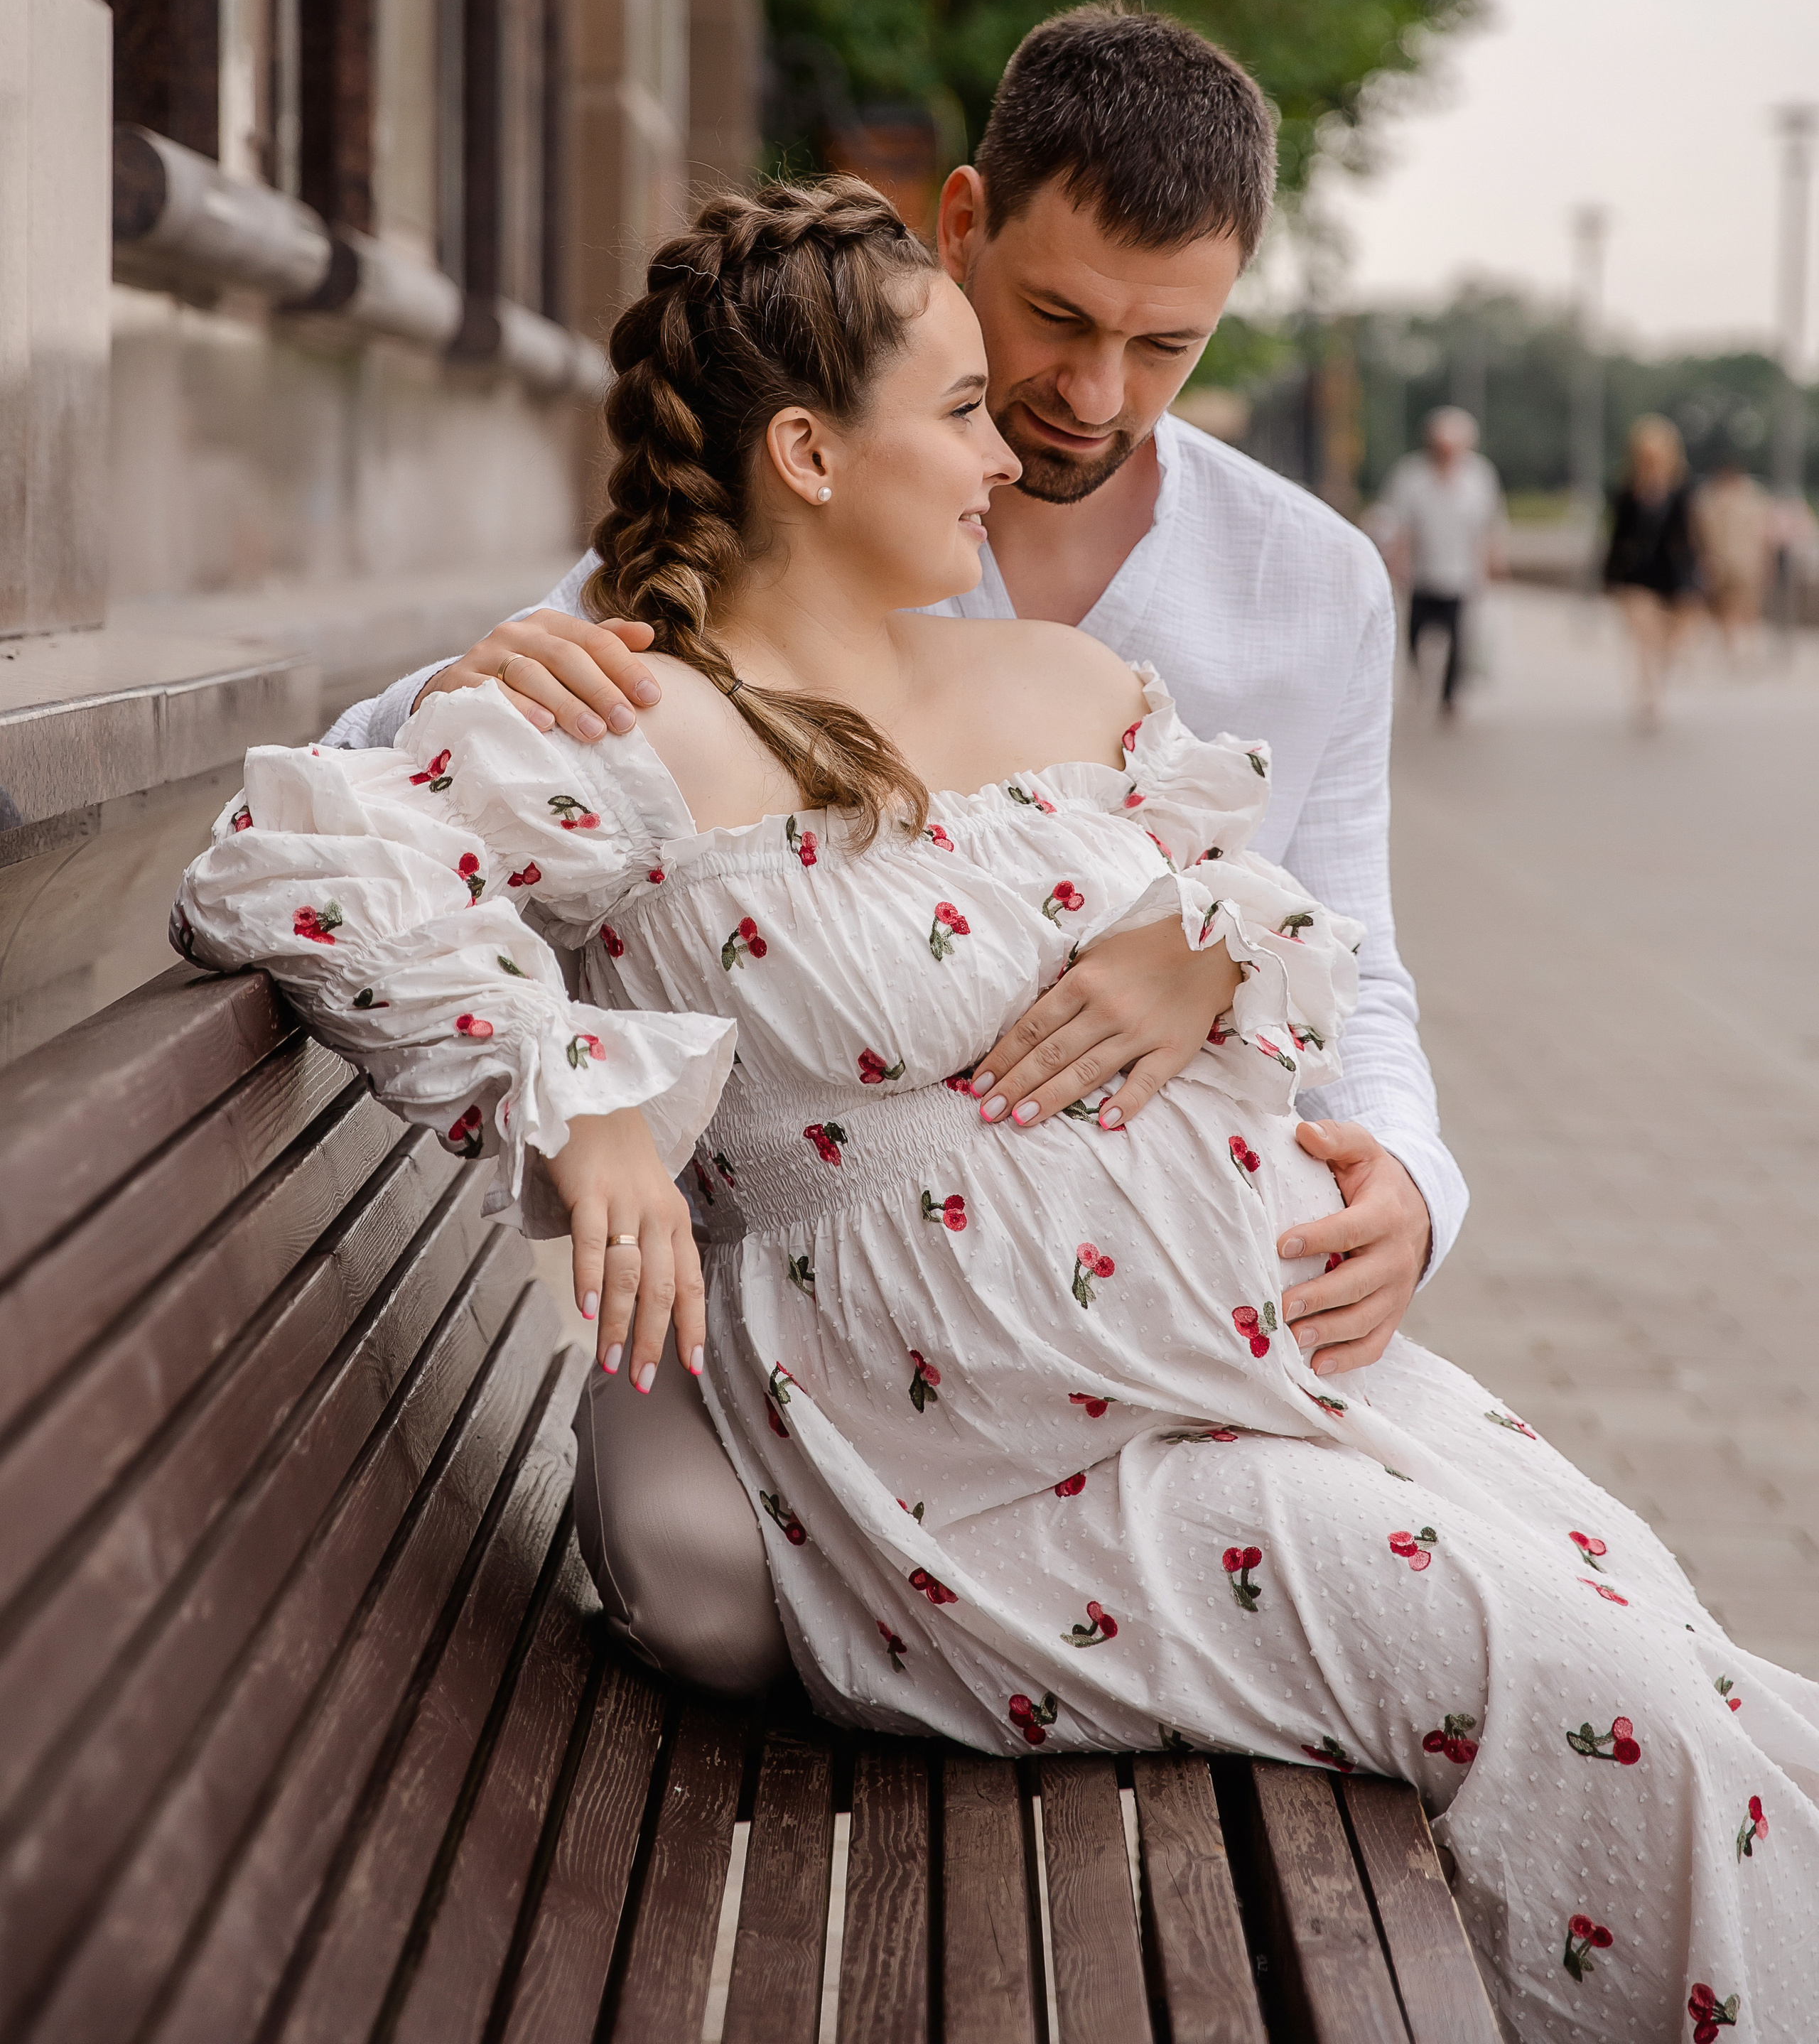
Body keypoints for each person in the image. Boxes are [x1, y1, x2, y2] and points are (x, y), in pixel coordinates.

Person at [178, 180, 1819, 2044]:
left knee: (1677, 1664)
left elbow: (1294, 939)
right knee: (1582, 1686)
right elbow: (286, 859)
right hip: (991, 1468)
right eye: (957, 407)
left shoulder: (1073, 687)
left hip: (1259, 1367)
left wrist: (1209, 945)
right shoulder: (633, 717)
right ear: (806, 447)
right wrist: (590, 1105)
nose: (1008, 452)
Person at [1376, 407, 1508, 718]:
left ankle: (1449, 696)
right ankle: (1418, 678)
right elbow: (1398, 524)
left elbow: (1490, 524)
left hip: (1462, 572)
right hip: (1422, 572)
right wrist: (1398, 562)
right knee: (1416, 632)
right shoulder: (1411, 475)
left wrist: (1493, 561)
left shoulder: (1479, 476)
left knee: (1458, 638)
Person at [1603, 416, 1699, 730]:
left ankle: (1658, 684)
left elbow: (1689, 539)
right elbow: (1615, 538)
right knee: (1646, 637)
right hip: (1636, 576)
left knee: (1669, 641)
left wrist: (1694, 579)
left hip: (1670, 575)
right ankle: (1649, 693)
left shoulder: (1681, 491)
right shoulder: (1628, 492)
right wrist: (1610, 576)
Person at [1693, 460, 1774, 654]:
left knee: (1748, 606)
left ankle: (1747, 645)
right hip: (1724, 562)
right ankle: (1732, 646)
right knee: (1725, 605)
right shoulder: (1711, 498)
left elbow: (1764, 533)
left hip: (1747, 562)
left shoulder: (1752, 497)